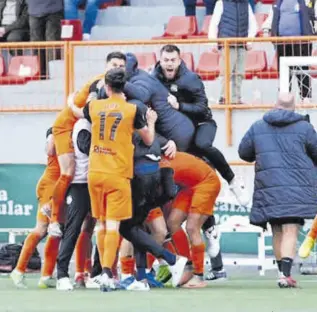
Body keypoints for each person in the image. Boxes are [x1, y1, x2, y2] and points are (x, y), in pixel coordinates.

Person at [69, 68, 157, 292]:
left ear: (106, 88)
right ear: (124, 87)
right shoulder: (131, 110)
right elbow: (148, 139)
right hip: (118, 174)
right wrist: (152, 121)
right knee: (113, 225)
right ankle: (107, 271)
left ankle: (102, 273)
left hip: (95, 172)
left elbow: (77, 112)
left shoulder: (95, 106)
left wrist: (71, 100)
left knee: (100, 224)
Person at [238, 92, 317, 288]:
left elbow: (243, 153)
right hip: (296, 188)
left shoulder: (258, 126)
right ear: (294, 107)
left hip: (269, 187)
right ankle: (286, 275)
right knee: (290, 230)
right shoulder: (305, 128)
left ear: (275, 105)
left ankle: (282, 273)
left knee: (277, 231)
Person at [48, 51, 126, 239]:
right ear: (106, 66)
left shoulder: (116, 86)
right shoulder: (100, 83)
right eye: (114, 65)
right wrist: (73, 107)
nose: (117, 68)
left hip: (77, 124)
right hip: (65, 126)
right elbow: (89, 112)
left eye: (121, 66)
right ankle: (54, 218)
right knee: (68, 171)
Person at [161, 152, 221, 288]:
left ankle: (198, 276)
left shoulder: (161, 168)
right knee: (172, 223)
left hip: (207, 183)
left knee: (192, 227)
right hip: (189, 185)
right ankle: (187, 266)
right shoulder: (156, 162)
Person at [10, 128, 61, 289]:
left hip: (56, 185)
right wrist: (53, 136)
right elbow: (50, 146)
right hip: (50, 186)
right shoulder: (57, 131)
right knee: (44, 229)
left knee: (51, 231)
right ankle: (21, 270)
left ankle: (45, 275)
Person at [55, 118, 94, 291]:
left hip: (97, 183)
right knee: (73, 228)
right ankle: (62, 275)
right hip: (80, 185)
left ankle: (95, 273)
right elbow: (88, 150)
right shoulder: (83, 126)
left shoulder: (96, 123)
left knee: (103, 228)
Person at [262, 0, 316, 103]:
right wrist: (266, 29)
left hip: (302, 42)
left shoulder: (306, 1)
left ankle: (306, 97)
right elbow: (272, 17)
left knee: (303, 70)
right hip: (282, 42)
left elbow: (313, 15)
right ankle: (284, 99)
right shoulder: (278, 2)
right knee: (284, 73)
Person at [208, 0, 257, 104]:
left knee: (239, 73)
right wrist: (213, 42)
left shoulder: (246, 4)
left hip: (241, 44)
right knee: (226, 72)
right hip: (227, 44)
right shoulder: (221, 3)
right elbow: (214, 24)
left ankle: (236, 98)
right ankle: (223, 97)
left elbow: (253, 25)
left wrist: (249, 40)